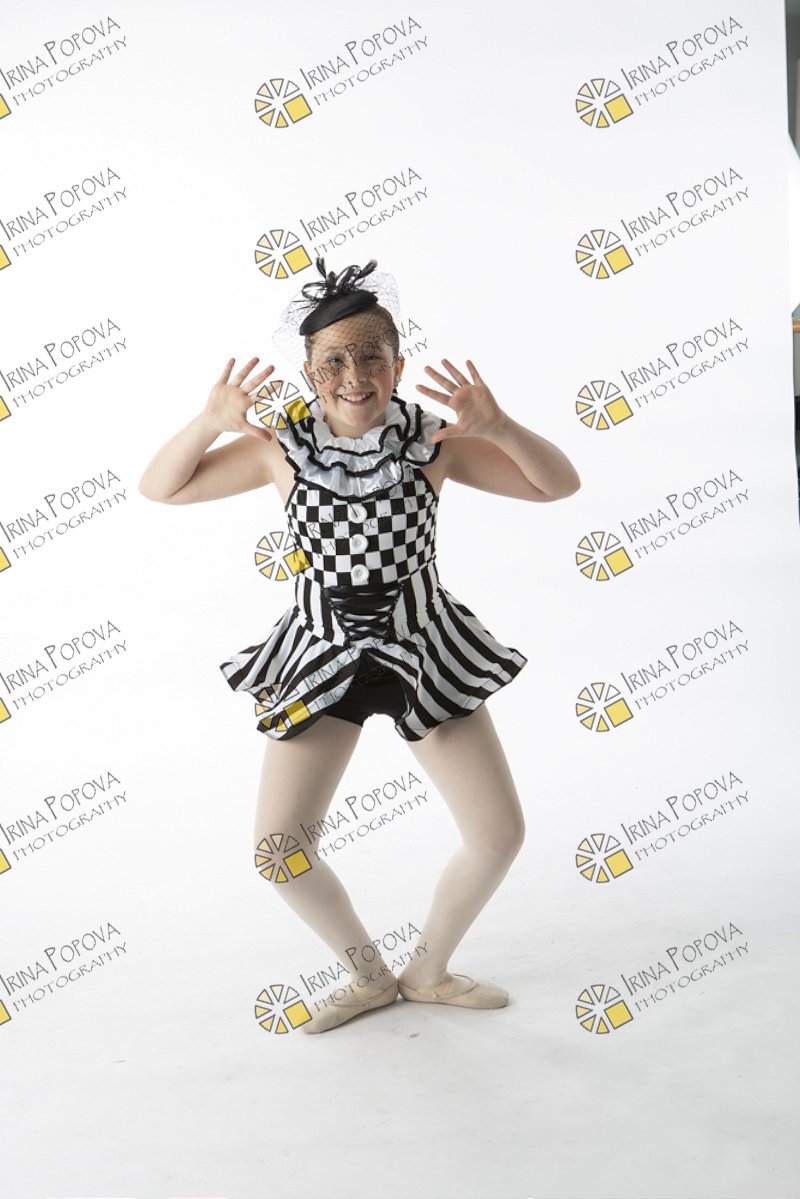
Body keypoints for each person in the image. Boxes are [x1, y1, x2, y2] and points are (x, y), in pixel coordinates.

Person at [138, 257, 581, 1034]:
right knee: (280, 849)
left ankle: (429, 971)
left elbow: (557, 485)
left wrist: (501, 426)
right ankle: (369, 976)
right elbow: (161, 486)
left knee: (498, 835)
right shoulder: (280, 447)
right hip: (321, 657)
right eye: (333, 361)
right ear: (310, 373)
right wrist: (209, 421)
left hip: (425, 651)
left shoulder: (435, 441)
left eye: (371, 355)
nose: (354, 375)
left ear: (398, 364)